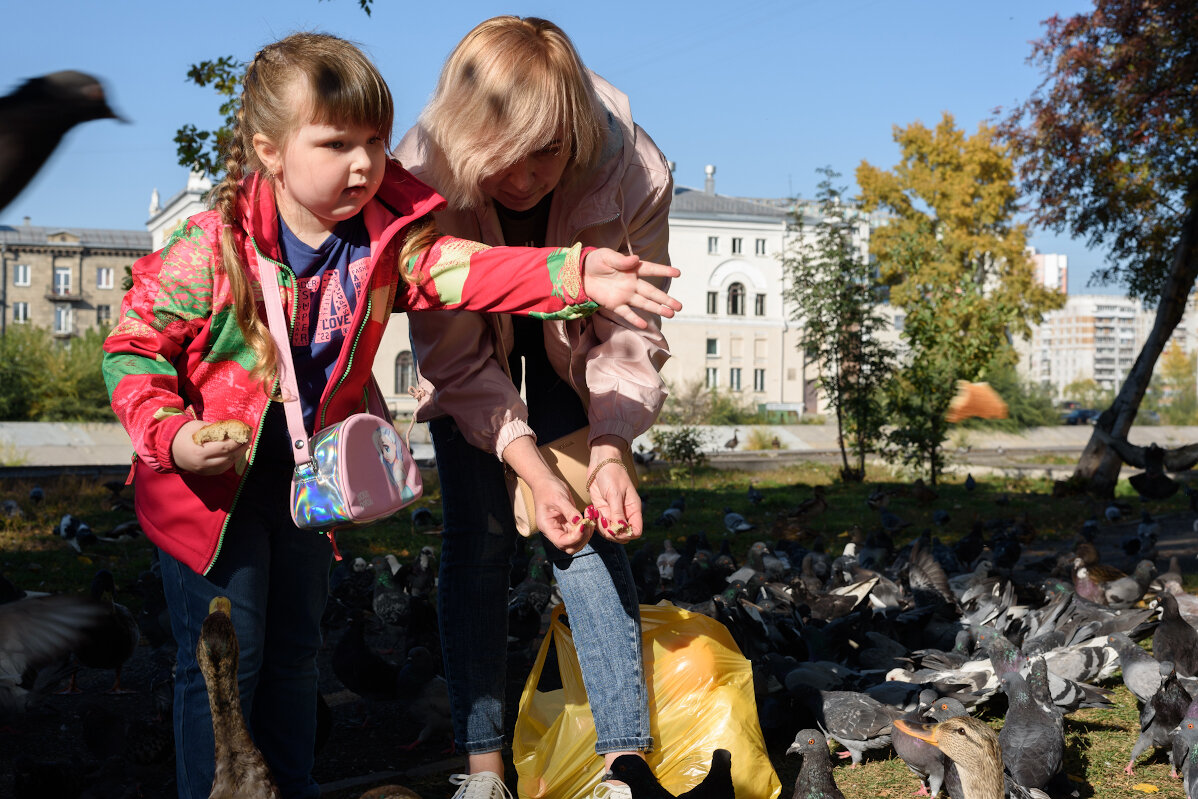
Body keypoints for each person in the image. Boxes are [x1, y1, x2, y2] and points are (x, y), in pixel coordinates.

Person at [101, 32, 679, 799]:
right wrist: (173, 437)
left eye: (374, 141)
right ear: (270, 151)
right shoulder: (210, 250)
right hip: (208, 499)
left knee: (297, 653)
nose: (365, 163)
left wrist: (572, 270)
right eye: (337, 142)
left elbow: (460, 268)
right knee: (223, 660)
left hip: (309, 489)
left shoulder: (383, 240)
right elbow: (132, 348)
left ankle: (293, 787)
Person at [394, 16, 674, 799]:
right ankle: (485, 769)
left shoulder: (636, 171)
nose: (526, 177)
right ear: (466, 138)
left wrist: (611, 445)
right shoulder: (420, 176)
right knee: (479, 540)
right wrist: (526, 466)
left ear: (579, 134)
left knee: (583, 530)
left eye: (549, 152)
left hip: (574, 342)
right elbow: (455, 355)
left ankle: (626, 764)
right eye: (505, 156)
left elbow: (630, 326)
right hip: (471, 349)